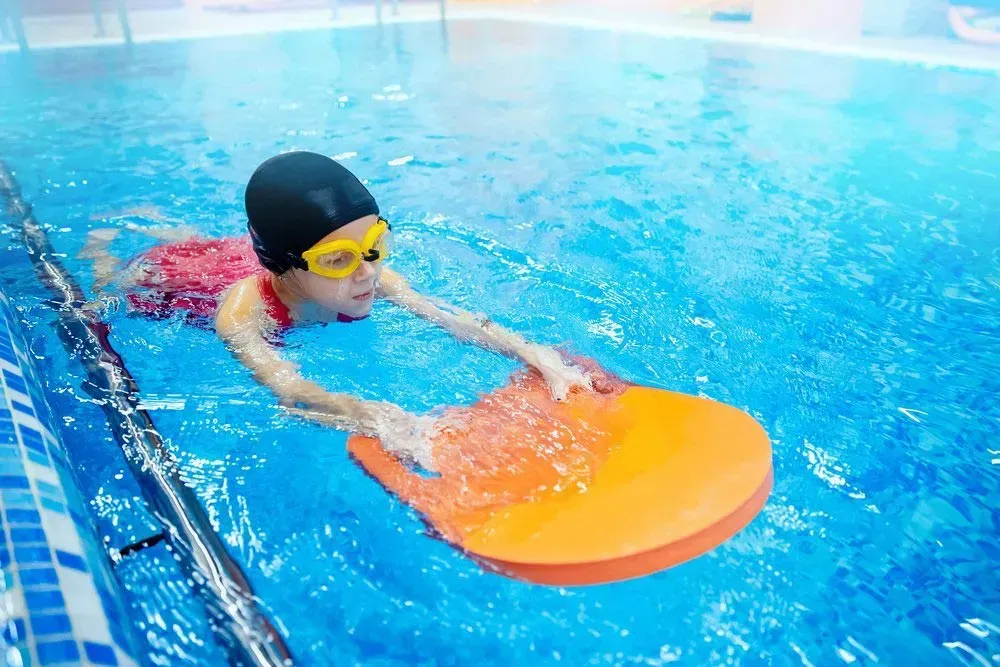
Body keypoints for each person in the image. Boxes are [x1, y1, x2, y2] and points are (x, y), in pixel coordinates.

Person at [81, 151, 592, 468]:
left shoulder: (364, 271)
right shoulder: (242, 316)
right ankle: (107, 242)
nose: (367, 271)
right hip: (175, 283)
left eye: (373, 244)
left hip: (256, 252)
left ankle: (171, 228)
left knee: (207, 241)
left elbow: (451, 316)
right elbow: (291, 392)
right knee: (113, 283)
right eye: (340, 260)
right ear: (285, 266)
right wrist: (372, 415)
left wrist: (534, 353)